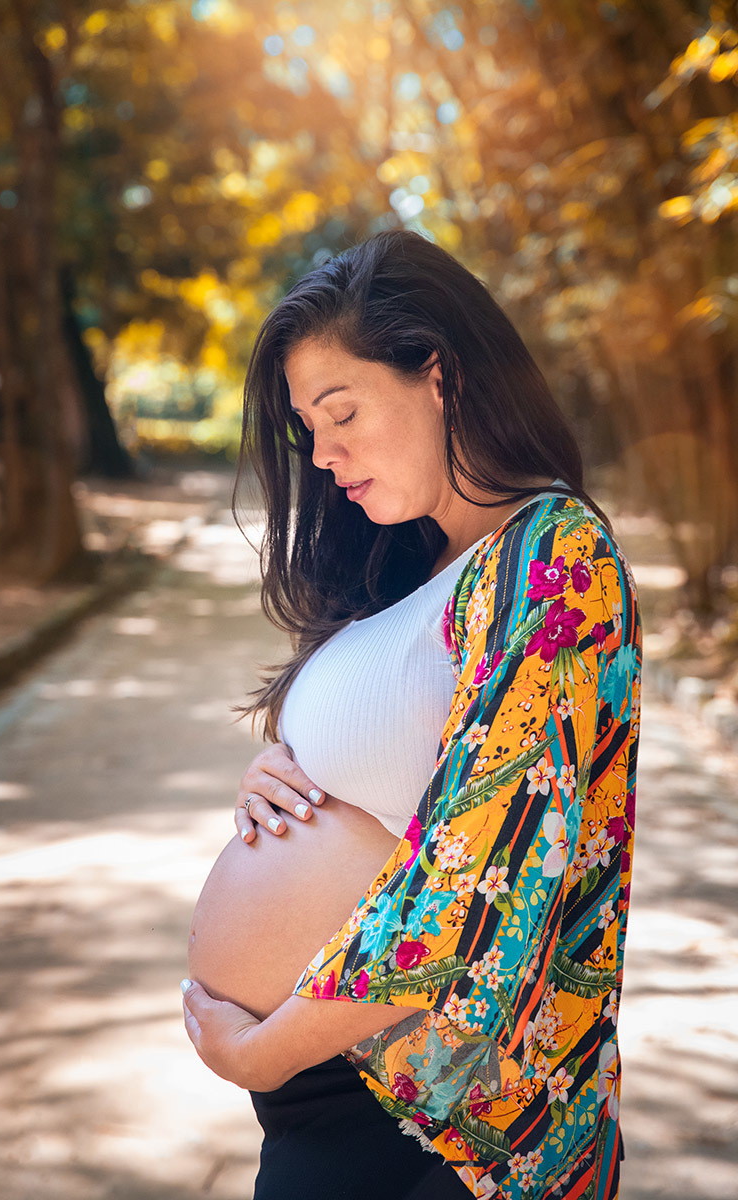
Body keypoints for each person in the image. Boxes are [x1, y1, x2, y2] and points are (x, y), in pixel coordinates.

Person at [181, 229, 641, 1200]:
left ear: (437, 372)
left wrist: (265, 1051)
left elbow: (484, 874)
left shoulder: (556, 556)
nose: (322, 452)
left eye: (341, 411)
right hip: (353, 1101)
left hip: (440, 1130)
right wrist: (283, 775)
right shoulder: (417, 562)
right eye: (308, 424)